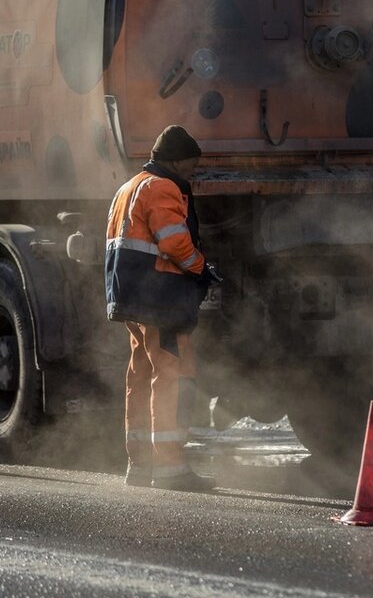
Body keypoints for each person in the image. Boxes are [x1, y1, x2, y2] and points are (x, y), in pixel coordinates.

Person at [105, 125, 217, 492]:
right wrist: (202, 268)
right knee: (173, 374)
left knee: (139, 374)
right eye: (191, 165)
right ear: (176, 159)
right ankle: (170, 467)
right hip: (161, 298)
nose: (192, 173)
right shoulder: (162, 187)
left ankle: (139, 465)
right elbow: (174, 243)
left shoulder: (129, 186)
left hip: (133, 297)